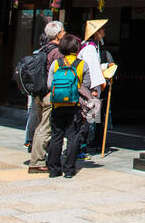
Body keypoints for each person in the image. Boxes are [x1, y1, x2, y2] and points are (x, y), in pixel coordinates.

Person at [45, 34, 86, 179]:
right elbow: (86, 86)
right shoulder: (82, 64)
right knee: (73, 137)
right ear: (76, 48)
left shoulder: (56, 64)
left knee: (57, 136)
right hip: (74, 104)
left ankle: (54, 170)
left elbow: (50, 85)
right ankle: (69, 170)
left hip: (57, 105)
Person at [27, 20, 65, 173]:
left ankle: (38, 156)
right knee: (45, 127)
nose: (64, 33)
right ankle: (37, 162)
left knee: (40, 126)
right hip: (49, 93)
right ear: (58, 34)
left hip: (38, 92)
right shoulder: (57, 52)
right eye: (63, 30)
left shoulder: (42, 49)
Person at [77, 19, 108, 158]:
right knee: (88, 119)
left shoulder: (92, 47)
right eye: (101, 30)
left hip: (87, 88)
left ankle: (82, 146)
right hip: (89, 89)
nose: (104, 32)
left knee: (88, 119)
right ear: (96, 33)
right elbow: (92, 70)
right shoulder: (89, 48)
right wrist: (96, 86)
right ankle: (81, 147)